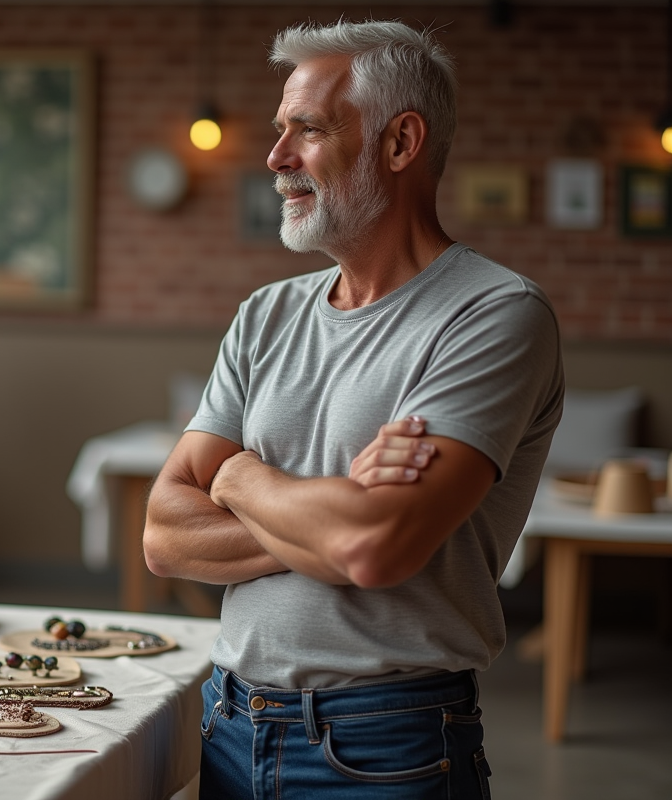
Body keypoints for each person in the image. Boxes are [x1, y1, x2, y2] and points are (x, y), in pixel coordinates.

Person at [143, 19, 564, 800]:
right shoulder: (266, 314)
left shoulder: (497, 314)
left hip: (385, 747)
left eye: (306, 129)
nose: (275, 158)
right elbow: (164, 535)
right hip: (229, 723)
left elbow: (374, 546)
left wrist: (232, 476)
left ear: (401, 142)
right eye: (280, 131)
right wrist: (325, 516)